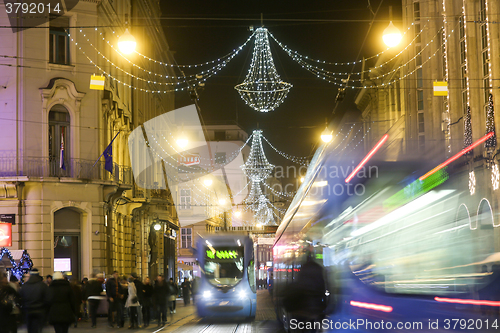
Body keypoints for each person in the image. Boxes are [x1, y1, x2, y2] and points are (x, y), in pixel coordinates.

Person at [20, 268, 48, 333]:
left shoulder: (25, 286)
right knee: (38, 329)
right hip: (40, 310)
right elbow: (48, 299)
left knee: (30, 329)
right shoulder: (43, 286)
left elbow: (20, 298)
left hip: (28, 310)